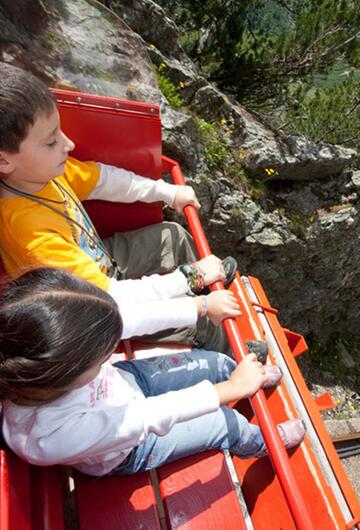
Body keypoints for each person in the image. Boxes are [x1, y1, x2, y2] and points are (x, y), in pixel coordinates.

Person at [0, 61, 237, 353]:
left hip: (101, 267)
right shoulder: (29, 235)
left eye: (60, 131)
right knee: (197, 322)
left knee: (171, 237)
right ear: (4, 161)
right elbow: (108, 297)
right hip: (90, 312)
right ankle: (232, 352)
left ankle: (213, 296)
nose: (68, 144)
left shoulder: (41, 175)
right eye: (51, 141)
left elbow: (103, 180)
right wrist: (190, 278)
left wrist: (167, 192)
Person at [0, 268, 306, 477]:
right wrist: (232, 390)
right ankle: (260, 442)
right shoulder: (49, 437)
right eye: (100, 358)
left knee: (211, 362)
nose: (110, 352)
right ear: (67, 372)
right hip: (130, 446)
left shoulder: (50, 354)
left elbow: (130, 319)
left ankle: (247, 376)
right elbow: (148, 417)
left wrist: (200, 305)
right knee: (225, 423)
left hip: (123, 384)